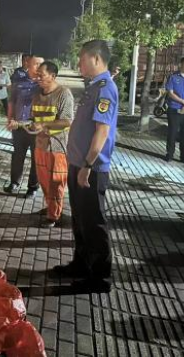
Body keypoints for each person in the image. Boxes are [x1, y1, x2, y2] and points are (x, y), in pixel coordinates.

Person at [55, 39, 118, 293]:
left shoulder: (105, 89)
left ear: (96, 59)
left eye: (82, 59)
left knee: (93, 222)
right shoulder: (93, 87)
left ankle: (100, 278)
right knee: (80, 219)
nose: (79, 63)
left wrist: (88, 165)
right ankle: (81, 265)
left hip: (90, 169)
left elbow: (102, 132)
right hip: (78, 164)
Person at [30, 62, 74, 227]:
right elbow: (33, 118)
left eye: (41, 75)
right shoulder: (37, 94)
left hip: (57, 147)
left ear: (53, 76)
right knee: (44, 181)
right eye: (37, 74)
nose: (37, 78)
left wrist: (44, 125)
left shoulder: (63, 94)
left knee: (56, 182)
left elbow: (67, 121)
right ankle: (51, 207)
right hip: (40, 145)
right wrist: (20, 123)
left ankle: (54, 215)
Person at [5, 55, 44, 196]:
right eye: (36, 64)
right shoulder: (19, 82)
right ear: (28, 64)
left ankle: (32, 187)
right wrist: (10, 119)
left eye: (41, 64)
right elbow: (12, 102)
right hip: (19, 126)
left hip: (36, 129)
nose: (39, 67)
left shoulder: (44, 85)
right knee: (17, 155)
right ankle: (14, 182)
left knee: (36, 158)